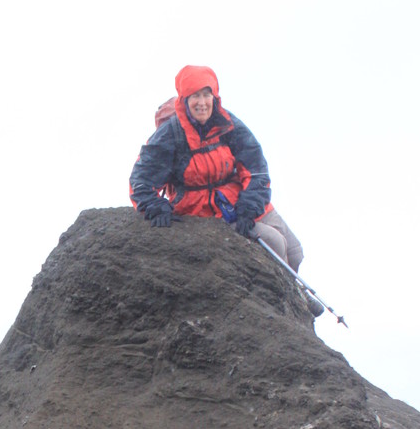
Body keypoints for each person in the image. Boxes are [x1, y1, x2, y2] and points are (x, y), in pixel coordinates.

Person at [129, 64, 304, 273]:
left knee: (294, 250)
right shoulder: (170, 134)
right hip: (205, 210)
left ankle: (297, 296)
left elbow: (256, 168)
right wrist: (155, 207)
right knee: (274, 242)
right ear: (184, 99)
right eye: (195, 96)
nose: (202, 103)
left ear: (215, 97)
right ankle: (289, 299)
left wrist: (250, 205)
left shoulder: (228, 124)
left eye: (206, 95)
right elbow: (140, 181)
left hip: (240, 201)